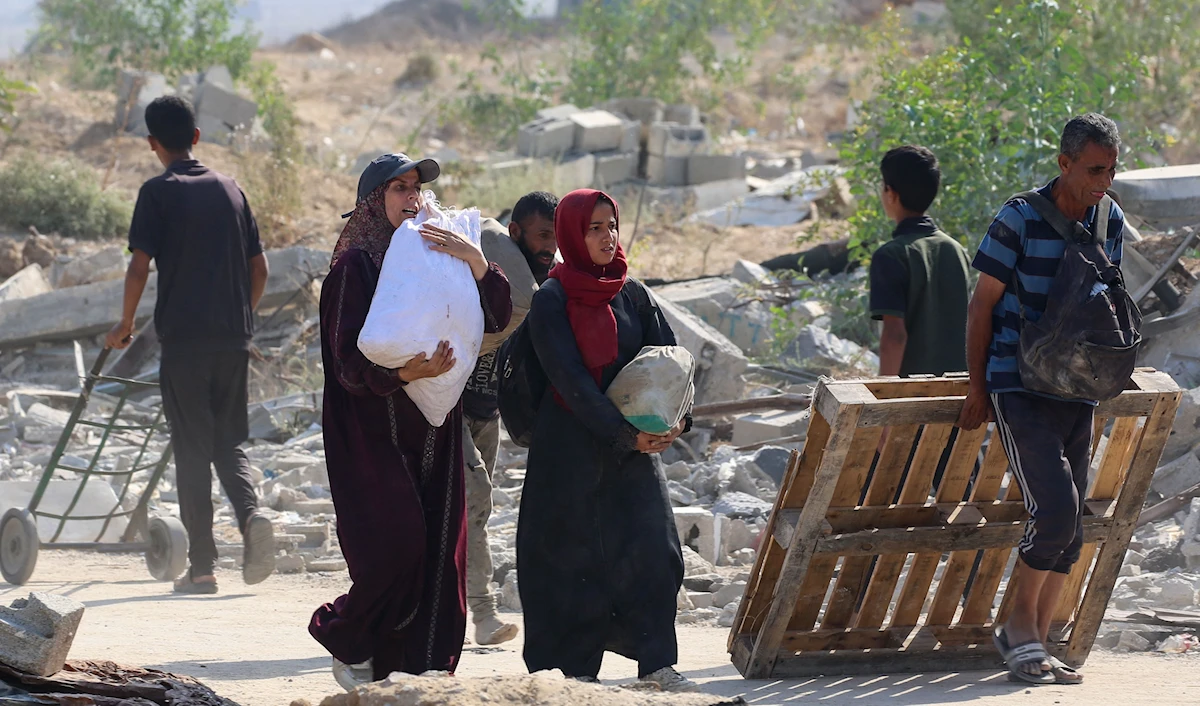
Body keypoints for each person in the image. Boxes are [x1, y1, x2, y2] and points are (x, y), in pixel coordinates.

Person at [309, 153, 512, 689]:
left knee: (442, 551)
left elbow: (494, 315)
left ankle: (418, 673)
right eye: (399, 188)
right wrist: (404, 373)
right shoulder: (354, 269)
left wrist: (475, 261)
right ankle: (348, 639)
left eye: (416, 188)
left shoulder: (438, 254)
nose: (412, 198)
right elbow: (346, 364)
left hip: (434, 428)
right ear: (373, 201)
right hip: (370, 434)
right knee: (396, 548)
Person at [957, 114, 1125, 686]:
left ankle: (1040, 640)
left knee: (1071, 526)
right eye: (1094, 170)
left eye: (1111, 170)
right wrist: (978, 387)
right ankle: (1017, 630)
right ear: (1064, 163)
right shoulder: (1019, 218)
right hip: (1019, 384)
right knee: (1052, 512)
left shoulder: (1109, 218)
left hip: (1076, 387)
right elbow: (982, 305)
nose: (1104, 182)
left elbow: (1104, 302)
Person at [516, 189, 698, 692]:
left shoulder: (632, 293)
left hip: (634, 451)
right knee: (568, 559)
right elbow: (569, 379)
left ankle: (657, 664)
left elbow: (671, 360)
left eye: (611, 225)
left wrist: (678, 420)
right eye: (593, 228)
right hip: (568, 450)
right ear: (573, 235)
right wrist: (624, 436)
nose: (606, 236)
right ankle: (570, 675)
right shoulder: (551, 299)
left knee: (654, 550)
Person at [106, 95, 275, 595]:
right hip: (233, 339)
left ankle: (202, 569)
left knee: (192, 450)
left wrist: (124, 325)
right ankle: (250, 517)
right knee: (229, 442)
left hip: (184, 344)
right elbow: (260, 269)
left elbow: (139, 266)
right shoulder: (231, 189)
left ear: (152, 143)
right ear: (197, 137)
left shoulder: (156, 193)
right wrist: (242, 321)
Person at [461, 191, 559, 646]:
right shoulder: (493, 265)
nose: (550, 247)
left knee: (472, 514)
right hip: (448, 408)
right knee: (475, 496)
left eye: (556, 238)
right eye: (542, 236)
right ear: (516, 232)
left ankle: (452, 612)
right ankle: (482, 613)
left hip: (487, 411)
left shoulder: (541, 284)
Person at [869, 145, 969, 377]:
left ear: (891, 194)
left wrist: (885, 391)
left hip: (913, 390)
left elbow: (894, 336)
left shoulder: (891, 255)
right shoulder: (956, 250)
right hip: (959, 388)